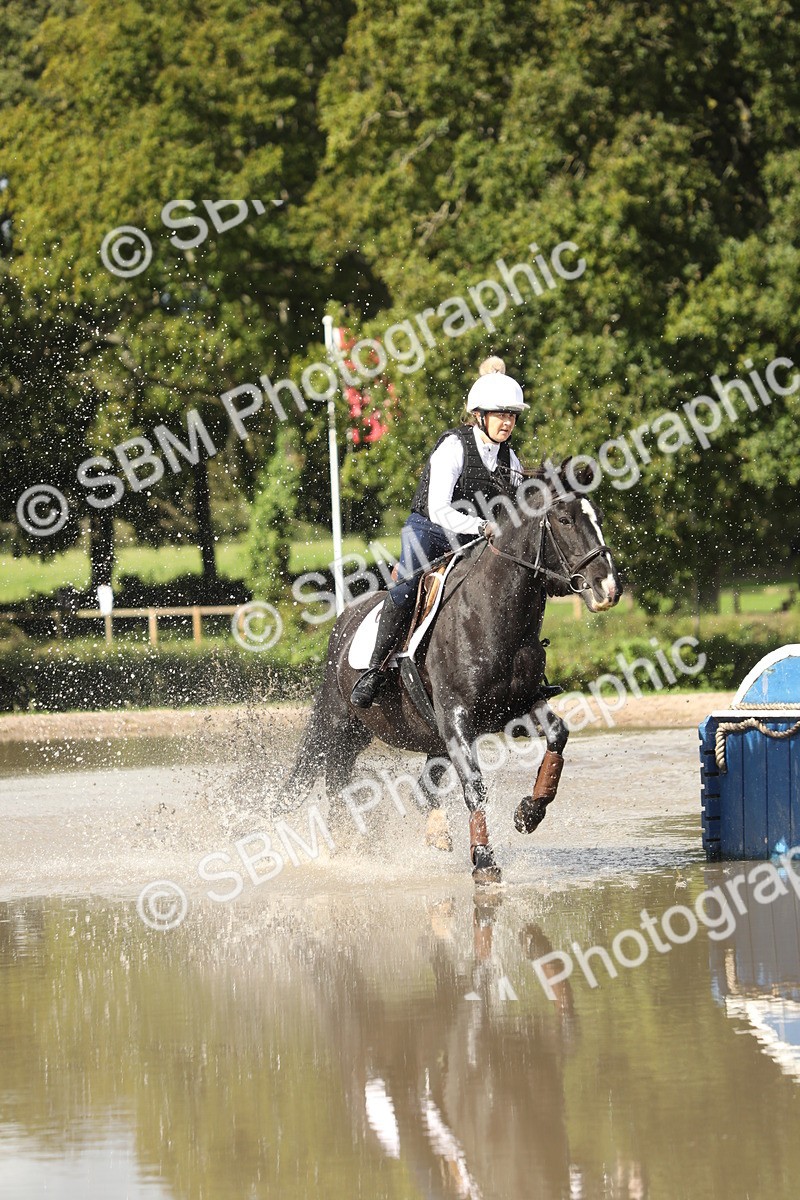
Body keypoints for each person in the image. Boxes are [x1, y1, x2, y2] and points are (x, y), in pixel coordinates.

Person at [350, 357, 527, 708]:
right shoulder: (454, 447)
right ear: (480, 415)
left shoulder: (513, 462)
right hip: (429, 531)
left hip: (472, 541)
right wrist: (481, 525)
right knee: (406, 587)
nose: (507, 422)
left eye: (511, 416)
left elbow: (517, 512)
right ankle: (375, 670)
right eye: (500, 414)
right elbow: (438, 509)